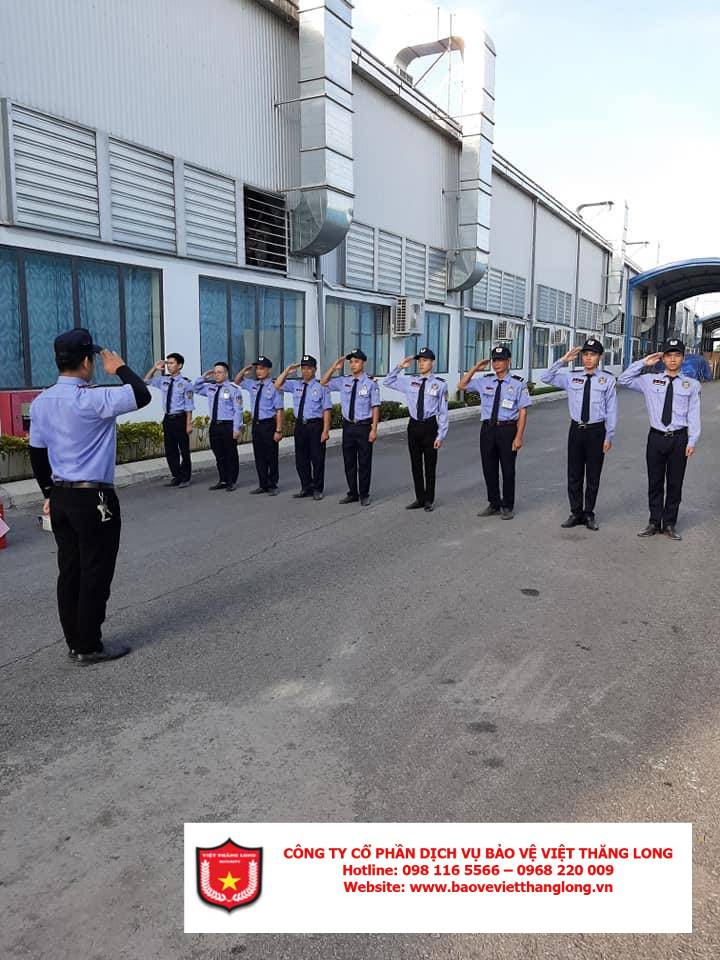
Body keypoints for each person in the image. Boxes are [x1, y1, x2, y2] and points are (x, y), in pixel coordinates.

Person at [28, 328, 151, 664]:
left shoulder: (41, 402)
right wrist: (119, 368)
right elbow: (141, 394)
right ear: (86, 361)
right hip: (94, 498)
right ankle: (89, 645)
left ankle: (75, 641)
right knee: (95, 570)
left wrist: (48, 493)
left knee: (69, 570)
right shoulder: (94, 399)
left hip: (61, 496)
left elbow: (37, 453)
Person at [618, 338, 701, 540]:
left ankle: (669, 524)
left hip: (679, 438)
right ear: (662, 358)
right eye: (668, 355)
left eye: (677, 355)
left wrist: (692, 440)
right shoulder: (649, 380)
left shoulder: (691, 385)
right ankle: (654, 522)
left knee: (675, 483)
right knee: (655, 482)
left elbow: (693, 414)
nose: (672, 359)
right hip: (656, 437)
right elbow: (624, 380)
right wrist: (643, 363)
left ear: (683, 358)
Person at [540, 338, 617, 531]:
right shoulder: (571, 377)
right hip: (576, 430)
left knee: (593, 475)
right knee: (574, 474)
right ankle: (575, 512)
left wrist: (609, 436)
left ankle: (589, 513)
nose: (588, 358)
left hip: (596, 431)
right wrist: (563, 360)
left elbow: (611, 410)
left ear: (600, 357)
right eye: (586, 355)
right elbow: (546, 378)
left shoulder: (607, 379)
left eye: (593, 355)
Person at [458, 344, 531, 519]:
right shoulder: (485, 381)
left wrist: (518, 437)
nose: (497, 364)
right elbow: (461, 385)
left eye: (501, 360)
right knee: (488, 468)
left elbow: (523, 411)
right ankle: (494, 503)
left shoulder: (518, 384)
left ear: (508, 361)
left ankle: (507, 506)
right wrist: (476, 367)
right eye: (494, 360)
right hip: (488, 430)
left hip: (507, 429)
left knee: (508, 469)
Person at [383, 347, 449, 512]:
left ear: (432, 362)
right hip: (413, 426)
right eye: (419, 361)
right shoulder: (410, 381)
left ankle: (429, 500)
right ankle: (420, 498)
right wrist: (400, 367)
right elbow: (387, 381)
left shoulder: (440, 384)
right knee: (415, 465)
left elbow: (443, 412)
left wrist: (440, 435)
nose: (421, 364)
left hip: (429, 426)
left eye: (425, 360)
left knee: (430, 466)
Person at [320, 349, 380, 507]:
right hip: (348, 427)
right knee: (349, 462)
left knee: (364, 463)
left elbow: (375, 407)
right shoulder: (343, 381)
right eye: (351, 362)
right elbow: (323, 382)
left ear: (363, 363)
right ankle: (353, 493)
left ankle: (364, 494)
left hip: (363, 427)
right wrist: (333, 368)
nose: (353, 365)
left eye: (356, 361)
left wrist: (374, 429)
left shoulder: (370, 383)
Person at [274, 355, 332, 500]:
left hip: (315, 426)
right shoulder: (296, 385)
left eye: (309, 368)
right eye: (303, 368)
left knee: (317, 459)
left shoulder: (321, 387)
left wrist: (325, 430)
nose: (306, 371)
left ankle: (317, 489)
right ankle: (306, 487)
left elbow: (326, 410)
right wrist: (287, 371)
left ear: (315, 369)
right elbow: (277, 385)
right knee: (301, 460)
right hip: (300, 426)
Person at [234, 356, 284, 495]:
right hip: (256, 425)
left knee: (271, 456)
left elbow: (279, 410)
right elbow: (237, 381)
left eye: (262, 369)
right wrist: (244, 370)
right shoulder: (253, 385)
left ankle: (273, 484)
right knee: (259, 456)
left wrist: (279, 430)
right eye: (257, 369)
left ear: (269, 370)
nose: (258, 371)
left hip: (268, 424)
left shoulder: (274, 387)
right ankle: (263, 484)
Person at [144, 353, 194, 488]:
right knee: (170, 449)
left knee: (183, 449)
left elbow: (189, 405)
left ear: (180, 365)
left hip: (180, 418)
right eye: (168, 363)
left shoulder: (186, 384)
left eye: (172, 363)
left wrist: (188, 423)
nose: (169, 366)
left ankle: (185, 477)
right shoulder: (164, 380)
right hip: (168, 419)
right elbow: (146, 381)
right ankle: (177, 476)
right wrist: (154, 368)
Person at [192, 363, 244, 491]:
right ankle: (223, 480)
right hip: (215, 425)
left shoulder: (233, 389)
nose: (216, 375)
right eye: (215, 372)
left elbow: (238, 410)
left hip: (228, 425)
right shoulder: (211, 388)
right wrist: (203, 377)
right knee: (219, 454)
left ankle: (231, 481)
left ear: (226, 374)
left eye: (219, 372)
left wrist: (236, 428)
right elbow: (195, 388)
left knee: (230, 454)